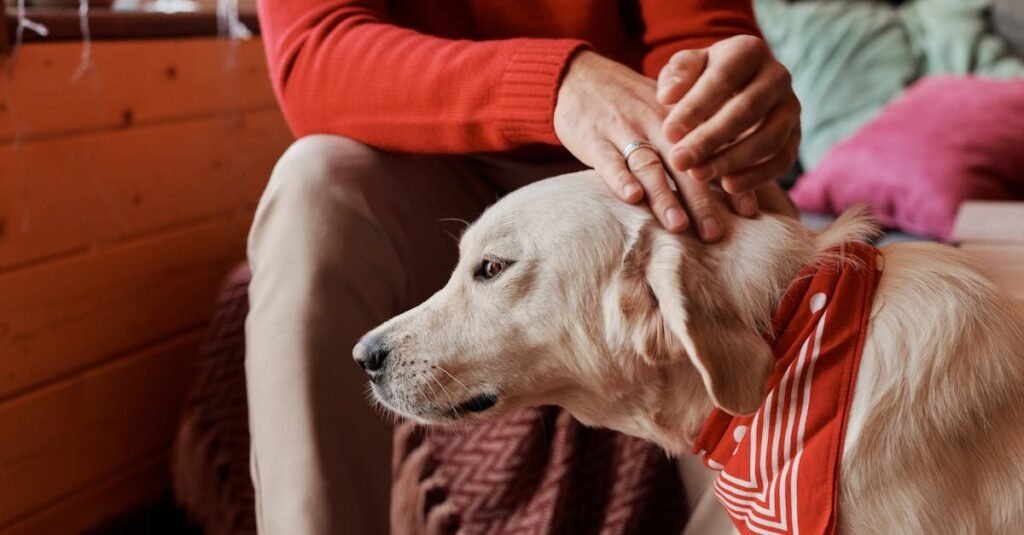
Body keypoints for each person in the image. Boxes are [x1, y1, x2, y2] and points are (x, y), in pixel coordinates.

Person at [246, 1, 801, 533]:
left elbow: (697, 36)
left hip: (621, 169)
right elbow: (314, 50)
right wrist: (557, 86)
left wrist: (722, 107)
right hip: (427, 156)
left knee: (744, 209)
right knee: (312, 184)